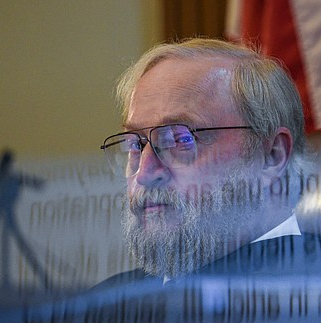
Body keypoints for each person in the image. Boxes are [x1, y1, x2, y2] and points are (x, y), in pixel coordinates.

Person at [97, 38, 306, 287]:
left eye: (179, 139)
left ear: (272, 155)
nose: (144, 174)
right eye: (135, 144)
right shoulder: (96, 309)